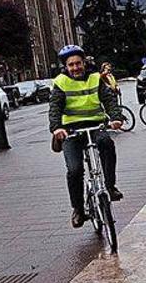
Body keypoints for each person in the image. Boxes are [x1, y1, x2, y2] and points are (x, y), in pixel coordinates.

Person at [49, 45, 124, 228]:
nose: (75, 68)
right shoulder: (60, 82)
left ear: (84, 63)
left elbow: (108, 99)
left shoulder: (95, 78)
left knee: (106, 143)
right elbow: (55, 107)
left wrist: (115, 117)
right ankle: (78, 209)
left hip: (95, 124)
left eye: (78, 63)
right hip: (71, 129)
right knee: (74, 170)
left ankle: (110, 186)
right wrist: (57, 128)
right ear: (66, 67)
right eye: (71, 65)